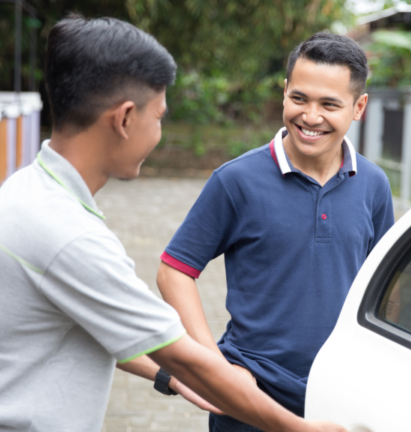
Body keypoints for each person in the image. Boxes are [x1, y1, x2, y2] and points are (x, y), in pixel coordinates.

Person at [0, 16, 345, 432]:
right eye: (159, 116)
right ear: (125, 118)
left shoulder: (27, 189)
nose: (160, 132)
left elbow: (108, 323)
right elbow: (181, 353)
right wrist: (299, 428)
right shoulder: (69, 236)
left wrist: (170, 377)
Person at [157, 32, 395, 431]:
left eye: (329, 104)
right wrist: (217, 370)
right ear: (285, 92)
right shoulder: (236, 180)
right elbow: (174, 271)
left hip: (338, 396)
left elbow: (386, 285)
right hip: (250, 399)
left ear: (359, 107)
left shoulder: (374, 185)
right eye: (299, 98)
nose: (311, 116)